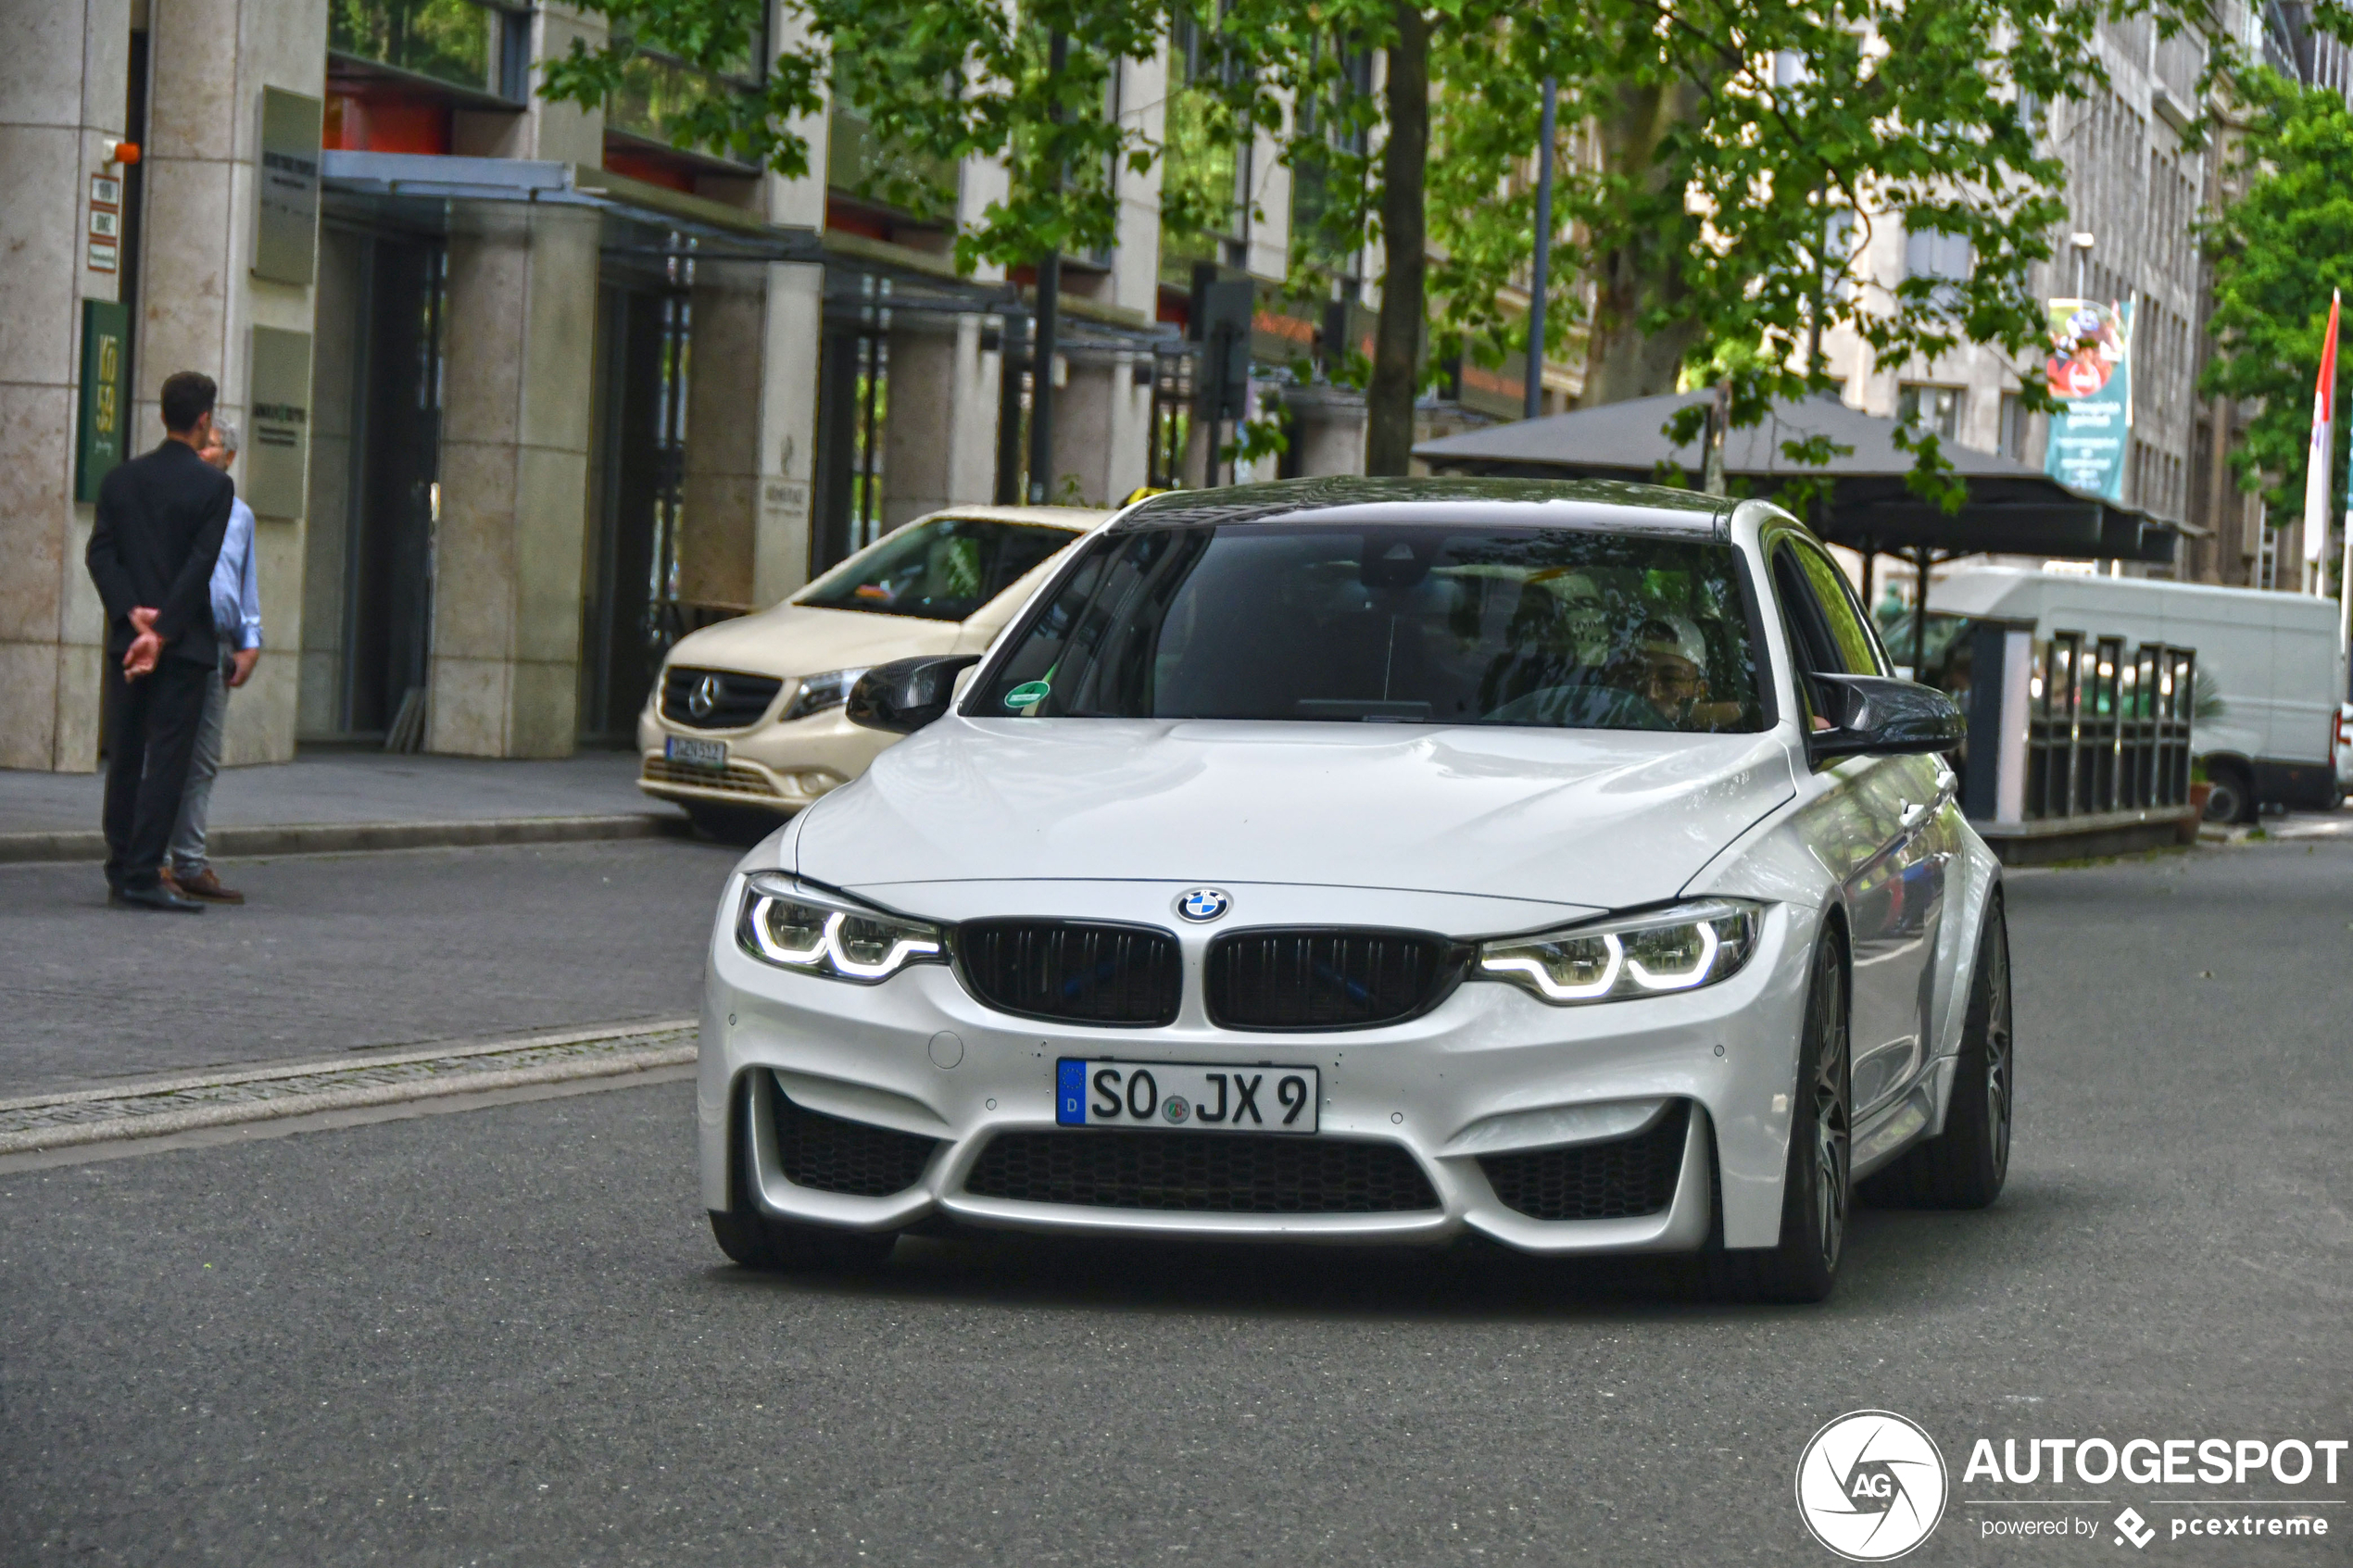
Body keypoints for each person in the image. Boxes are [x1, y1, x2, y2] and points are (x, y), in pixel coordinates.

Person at [85, 370, 234, 912]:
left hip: (128, 641)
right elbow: (200, 565)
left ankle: (121, 865)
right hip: (183, 646)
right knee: (167, 760)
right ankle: (146, 871)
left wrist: (135, 617)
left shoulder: (121, 480)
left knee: (125, 755)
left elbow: (100, 554)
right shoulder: (214, 487)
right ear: (202, 421)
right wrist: (166, 629)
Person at [161, 419, 262, 905]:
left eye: (214, 447)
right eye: (203, 444)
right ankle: (153, 858)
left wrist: (250, 640)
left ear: (230, 458)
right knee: (161, 754)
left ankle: (190, 861)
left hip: (220, 643)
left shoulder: (241, 516)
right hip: (179, 638)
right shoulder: (180, 505)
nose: (205, 452)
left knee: (203, 760)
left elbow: (246, 583)